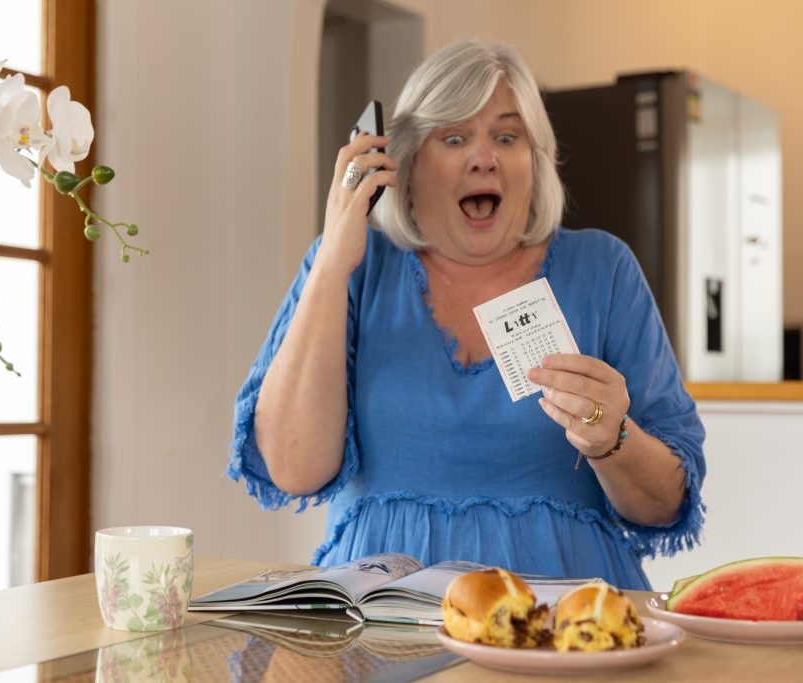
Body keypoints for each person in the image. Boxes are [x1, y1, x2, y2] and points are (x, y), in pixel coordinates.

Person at [227, 40, 705, 590]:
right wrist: (333, 258)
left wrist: (611, 437)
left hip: (569, 622)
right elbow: (293, 468)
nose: (484, 158)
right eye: (453, 138)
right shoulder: (356, 269)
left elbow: (665, 505)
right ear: (404, 167)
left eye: (507, 137)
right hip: (383, 619)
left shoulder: (603, 268)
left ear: (535, 163)